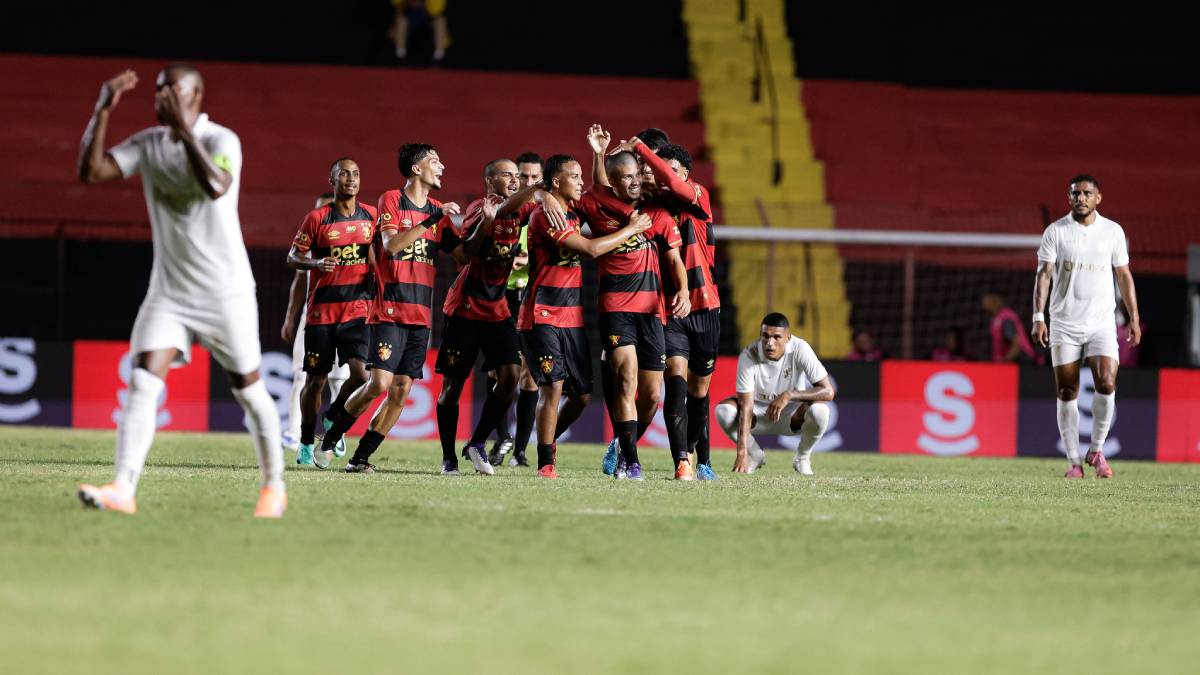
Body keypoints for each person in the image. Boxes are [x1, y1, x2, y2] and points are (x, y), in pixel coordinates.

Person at [75, 64, 286, 517]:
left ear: (195, 94)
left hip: (225, 292)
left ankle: (274, 487)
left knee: (249, 390)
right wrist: (102, 109)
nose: (162, 95)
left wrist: (184, 133)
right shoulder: (149, 143)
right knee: (142, 381)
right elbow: (91, 172)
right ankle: (123, 489)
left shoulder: (220, 140)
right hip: (169, 293)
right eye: (158, 89)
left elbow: (215, 186)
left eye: (172, 88)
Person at [319, 143, 462, 473]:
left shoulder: (439, 209)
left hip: (421, 315)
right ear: (416, 168)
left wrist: (485, 224)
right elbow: (392, 246)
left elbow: (462, 256)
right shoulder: (392, 200)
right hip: (389, 310)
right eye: (435, 161)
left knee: (401, 392)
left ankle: (360, 458)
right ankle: (332, 435)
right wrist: (434, 218)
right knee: (379, 384)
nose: (442, 167)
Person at [517, 154, 653, 478]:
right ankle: (545, 463)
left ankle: (548, 441)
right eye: (574, 177)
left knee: (581, 396)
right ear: (556, 182)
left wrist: (599, 156)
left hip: (573, 316)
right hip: (542, 312)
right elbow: (591, 250)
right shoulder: (545, 215)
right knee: (552, 387)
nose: (581, 182)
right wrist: (633, 228)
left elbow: (601, 196)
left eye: (581, 176)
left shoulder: (571, 211)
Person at [575, 126, 690, 481]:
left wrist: (683, 290)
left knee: (652, 394)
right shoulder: (599, 208)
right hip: (615, 311)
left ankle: (625, 447)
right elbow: (595, 187)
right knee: (626, 379)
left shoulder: (657, 215)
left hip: (652, 313)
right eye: (624, 178)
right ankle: (632, 460)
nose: (634, 182)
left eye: (636, 175)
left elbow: (673, 259)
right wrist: (597, 154)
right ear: (614, 181)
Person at [613, 137, 721, 481]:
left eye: (672, 171)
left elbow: (673, 182)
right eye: (660, 172)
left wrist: (643, 149)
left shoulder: (698, 197)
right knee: (675, 382)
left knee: (699, 392)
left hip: (706, 307)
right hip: (671, 309)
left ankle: (698, 455)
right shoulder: (652, 208)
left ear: (686, 173)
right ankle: (683, 463)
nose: (664, 178)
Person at [434, 159, 541, 475]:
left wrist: (538, 187)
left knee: (510, 377)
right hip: (465, 308)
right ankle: (448, 458)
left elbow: (525, 204)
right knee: (452, 388)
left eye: (515, 176)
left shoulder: (517, 212)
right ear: (489, 180)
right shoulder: (478, 209)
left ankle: (477, 443)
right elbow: (465, 253)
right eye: (506, 175)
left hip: (497, 310)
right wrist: (486, 223)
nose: (513, 179)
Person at [1032, 173, 1141, 479]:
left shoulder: (1112, 232)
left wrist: (1133, 316)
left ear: (1098, 198)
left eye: (1086, 193)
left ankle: (1095, 449)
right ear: (1069, 199)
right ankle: (1073, 461)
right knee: (1067, 390)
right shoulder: (1056, 232)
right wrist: (1038, 317)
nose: (1080, 198)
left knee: (1106, 382)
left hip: (1102, 324)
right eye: (1075, 194)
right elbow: (1043, 275)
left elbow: (1123, 276)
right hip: (1064, 323)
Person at [285, 159, 376, 469]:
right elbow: (293, 257)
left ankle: (334, 416)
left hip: (357, 310)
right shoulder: (317, 218)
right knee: (315, 382)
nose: (351, 178)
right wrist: (314, 264)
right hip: (322, 314)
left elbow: (382, 254)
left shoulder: (371, 217)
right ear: (332, 180)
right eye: (344, 174)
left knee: (362, 375)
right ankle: (307, 440)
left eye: (356, 173)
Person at [715, 313, 835, 475]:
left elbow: (828, 391)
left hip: (791, 416)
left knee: (821, 411)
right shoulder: (749, 354)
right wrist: (742, 452)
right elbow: (746, 405)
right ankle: (755, 454)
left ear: (788, 337)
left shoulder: (801, 348)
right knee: (723, 411)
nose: (770, 343)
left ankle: (802, 457)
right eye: (765, 336)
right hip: (757, 416)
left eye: (776, 337)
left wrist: (789, 395)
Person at [485, 151, 544, 468]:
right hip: (501, 295)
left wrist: (530, 262)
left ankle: (520, 451)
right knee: (497, 369)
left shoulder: (541, 212)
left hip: (532, 297)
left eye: (535, 177)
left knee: (530, 376)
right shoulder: (505, 211)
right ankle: (501, 436)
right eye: (523, 177)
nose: (528, 182)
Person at [281, 192, 350, 455]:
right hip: (312, 316)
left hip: (344, 315)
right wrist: (291, 316)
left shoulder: (350, 239)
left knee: (341, 378)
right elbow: (299, 281)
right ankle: (293, 433)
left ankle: (336, 433)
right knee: (302, 374)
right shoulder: (310, 242)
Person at [982, 293, 1038, 364]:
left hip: (1023, 361)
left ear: (994, 303)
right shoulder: (995, 319)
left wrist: (1006, 361)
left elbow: (1017, 343)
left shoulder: (1006, 318)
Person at [392, 0, 450, 65]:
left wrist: (426, 2)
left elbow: (437, 10)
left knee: (440, 21)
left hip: (427, 15)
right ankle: (400, 55)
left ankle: (438, 57)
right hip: (408, 14)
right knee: (401, 21)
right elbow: (396, 5)